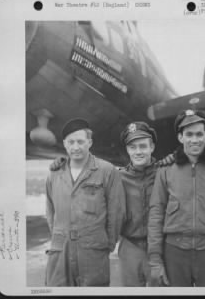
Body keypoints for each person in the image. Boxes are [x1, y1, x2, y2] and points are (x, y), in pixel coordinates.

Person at [147, 109, 205, 287]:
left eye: (200, 134)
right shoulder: (165, 170)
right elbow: (156, 214)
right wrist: (155, 258)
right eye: (189, 134)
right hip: (174, 253)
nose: (195, 140)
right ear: (180, 137)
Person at [45, 118, 124, 286]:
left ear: (90, 142)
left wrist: (106, 244)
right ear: (65, 144)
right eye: (71, 142)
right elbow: (50, 211)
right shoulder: (54, 173)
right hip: (60, 251)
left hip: (93, 250)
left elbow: (116, 212)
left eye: (80, 141)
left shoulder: (107, 171)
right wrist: (58, 237)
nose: (76, 147)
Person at [117, 121, 158, 286]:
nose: (138, 151)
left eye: (143, 146)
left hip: (159, 247)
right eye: (132, 147)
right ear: (127, 149)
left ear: (152, 147)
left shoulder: (165, 173)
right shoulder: (117, 177)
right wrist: (63, 163)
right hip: (130, 246)